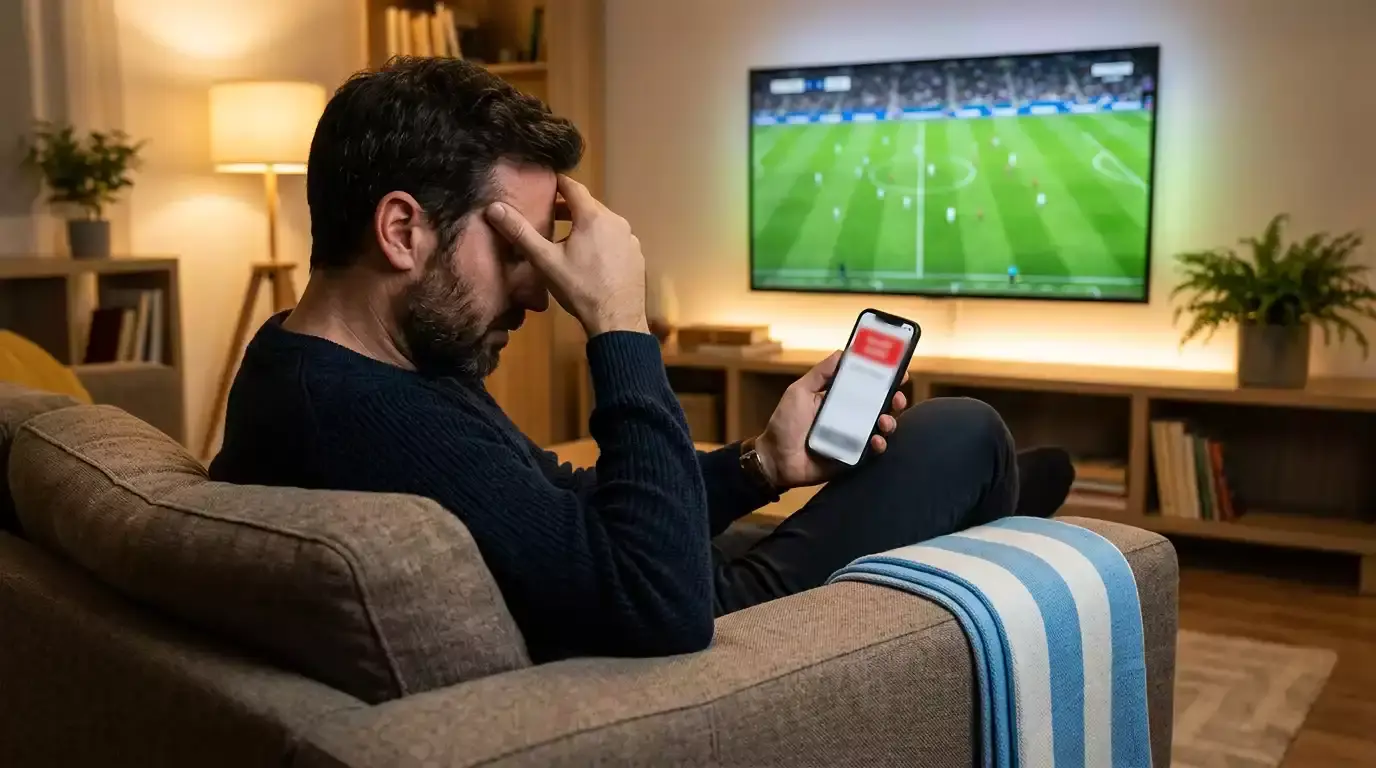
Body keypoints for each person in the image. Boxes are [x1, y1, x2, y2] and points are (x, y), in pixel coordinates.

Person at [210, 57, 1073, 664]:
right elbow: (657, 602)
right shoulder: (367, 419)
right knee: (962, 432)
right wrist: (619, 325)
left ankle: (966, 507)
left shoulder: (318, 362)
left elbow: (562, 497)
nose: (540, 292)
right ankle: (978, 508)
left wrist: (759, 464)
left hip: (640, 573)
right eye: (518, 252)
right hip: (700, 620)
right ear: (403, 231)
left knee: (928, 455)